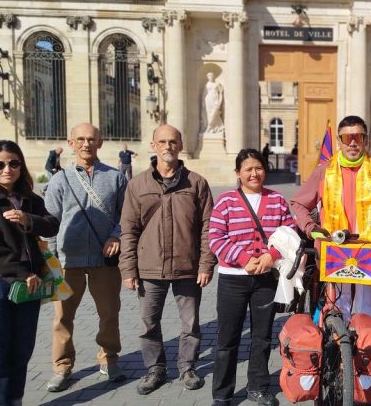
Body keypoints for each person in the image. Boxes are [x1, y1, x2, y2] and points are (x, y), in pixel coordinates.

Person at [119, 124, 215, 395]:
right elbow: (129, 229)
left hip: (188, 266)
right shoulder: (137, 184)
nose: (168, 146)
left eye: (173, 141)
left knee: (190, 323)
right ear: (153, 145)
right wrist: (128, 269)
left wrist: (206, 264)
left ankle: (187, 367)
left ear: (180, 145)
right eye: (162, 141)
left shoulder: (196, 183)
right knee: (149, 324)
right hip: (149, 267)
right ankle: (155, 369)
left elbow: (209, 227)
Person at [0, 140, 59, 406]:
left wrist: (29, 220)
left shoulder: (28, 198)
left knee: (21, 352)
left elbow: (52, 224)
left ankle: (14, 401)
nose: (7, 169)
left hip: (29, 284)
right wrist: (21, 272)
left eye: (13, 163)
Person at [44, 123, 127, 392]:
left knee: (109, 313)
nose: (86, 144)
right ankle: (62, 366)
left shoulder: (115, 178)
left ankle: (109, 359)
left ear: (100, 143)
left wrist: (116, 236)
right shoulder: (60, 179)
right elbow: (50, 222)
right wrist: (52, 260)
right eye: (80, 139)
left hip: (105, 260)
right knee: (62, 317)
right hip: (69, 260)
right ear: (70, 143)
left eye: (91, 139)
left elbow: (127, 215)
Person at [209, 149, 296, 406]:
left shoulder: (277, 200)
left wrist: (272, 255)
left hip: (266, 279)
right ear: (238, 173)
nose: (254, 173)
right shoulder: (225, 201)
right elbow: (215, 237)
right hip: (232, 278)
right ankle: (222, 393)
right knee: (227, 338)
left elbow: (290, 233)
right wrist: (244, 258)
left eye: (258, 168)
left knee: (262, 336)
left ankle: (258, 387)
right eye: (248, 169)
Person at [290, 115, 371, 323]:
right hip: (334, 254)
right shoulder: (324, 171)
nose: (353, 143)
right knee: (336, 315)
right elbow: (298, 203)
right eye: (347, 138)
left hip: (368, 254)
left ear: (366, 140)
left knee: (368, 319)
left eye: (358, 137)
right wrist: (312, 229)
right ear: (339, 141)